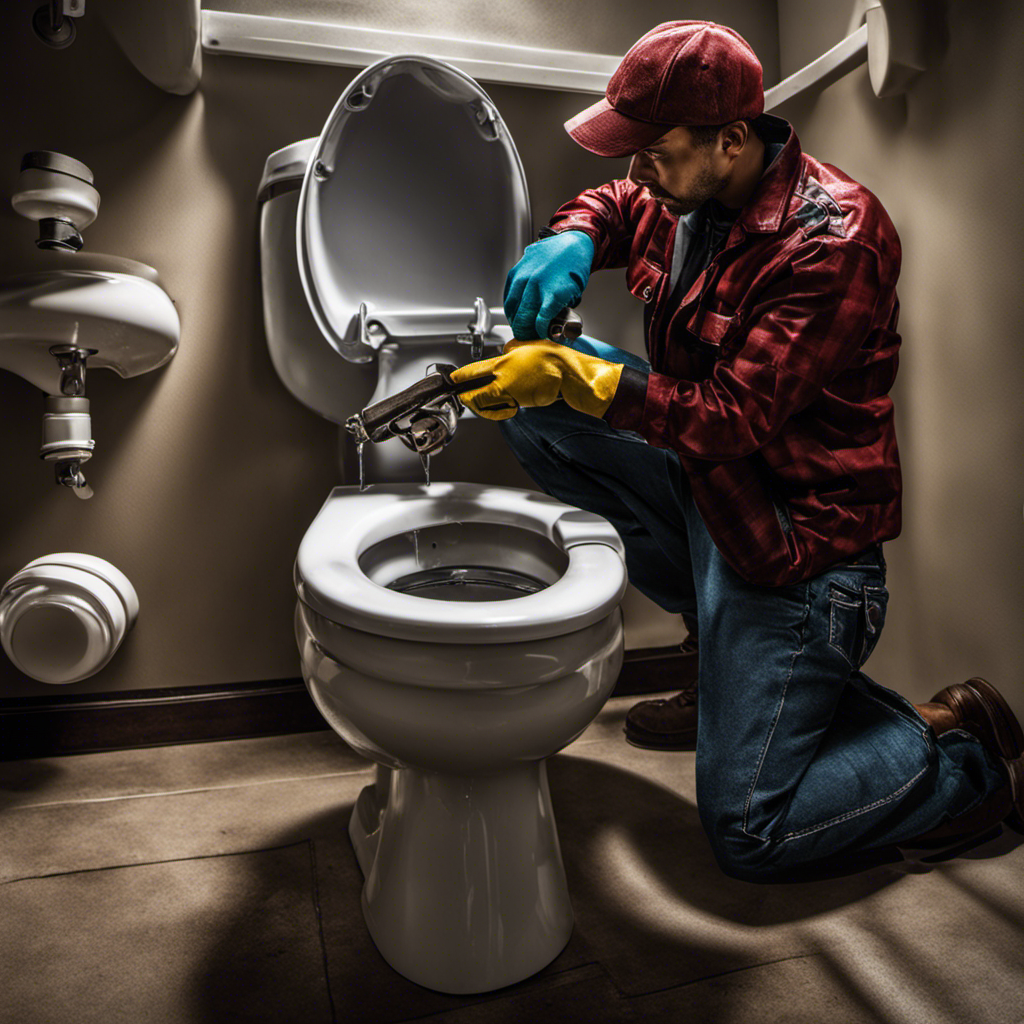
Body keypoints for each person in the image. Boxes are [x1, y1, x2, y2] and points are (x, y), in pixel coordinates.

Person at [450, 21, 1023, 881]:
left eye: (655, 155)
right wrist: (570, 234)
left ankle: (965, 770)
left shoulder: (835, 238)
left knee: (752, 832)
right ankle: (736, 679)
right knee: (532, 416)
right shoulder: (693, 193)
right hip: (714, 497)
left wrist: (587, 377)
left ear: (731, 139)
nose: (636, 173)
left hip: (795, 553)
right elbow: (616, 204)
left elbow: (731, 417)